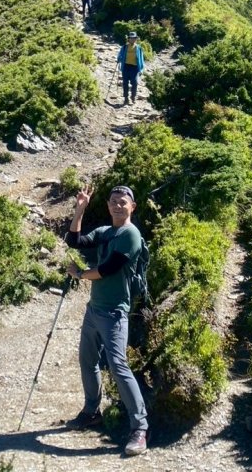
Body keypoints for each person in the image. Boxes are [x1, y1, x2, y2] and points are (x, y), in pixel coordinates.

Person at [65, 185, 149, 457]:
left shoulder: (130, 234)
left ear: (132, 207)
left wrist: (79, 275)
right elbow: (74, 241)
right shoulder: (106, 231)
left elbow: (108, 269)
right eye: (113, 201)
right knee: (87, 361)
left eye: (122, 202)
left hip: (114, 312)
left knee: (118, 366)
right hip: (94, 310)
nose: (117, 205)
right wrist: (80, 207)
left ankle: (140, 428)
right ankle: (92, 412)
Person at [116, 32, 145, 105]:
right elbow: (120, 54)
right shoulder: (125, 47)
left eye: (134, 38)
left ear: (136, 39)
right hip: (126, 66)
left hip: (134, 67)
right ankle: (126, 98)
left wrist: (141, 69)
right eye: (131, 38)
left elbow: (141, 59)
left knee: (134, 83)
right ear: (129, 39)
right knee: (125, 83)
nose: (133, 39)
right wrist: (119, 58)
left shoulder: (139, 48)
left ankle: (133, 97)